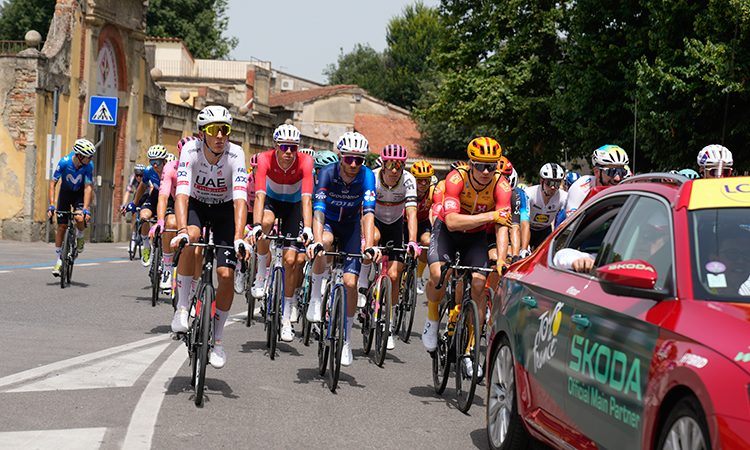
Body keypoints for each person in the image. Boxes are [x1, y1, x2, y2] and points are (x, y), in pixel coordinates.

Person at [423, 137, 512, 377]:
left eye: (492, 166)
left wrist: (502, 260)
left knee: (480, 284)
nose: (486, 171)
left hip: (475, 239)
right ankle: (432, 320)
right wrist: (491, 216)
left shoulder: (502, 187)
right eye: (481, 165)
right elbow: (451, 222)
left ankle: (472, 349)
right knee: (438, 274)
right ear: (470, 164)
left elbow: (503, 225)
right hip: (447, 233)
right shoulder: (455, 179)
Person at [170, 105, 248, 369]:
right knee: (190, 239)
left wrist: (239, 237)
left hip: (225, 210)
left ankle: (217, 338)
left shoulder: (236, 154)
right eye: (214, 130)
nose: (220, 136)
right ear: (202, 132)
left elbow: (240, 200)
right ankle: (182, 308)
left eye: (225, 130)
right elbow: (181, 193)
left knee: (226, 275)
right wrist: (181, 230)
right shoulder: (189, 151)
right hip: (197, 206)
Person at [306, 131, 379, 367]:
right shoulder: (327, 173)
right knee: (324, 243)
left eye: (359, 160)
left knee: (350, 283)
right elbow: (318, 208)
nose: (354, 164)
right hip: (327, 221)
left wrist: (368, 245)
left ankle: (346, 339)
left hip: (350, 226)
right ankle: (316, 297)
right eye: (349, 159)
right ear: (340, 157)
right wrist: (317, 241)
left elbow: (368, 213)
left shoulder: (367, 176)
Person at [248, 124, 314, 342]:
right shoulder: (265, 159)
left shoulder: (305, 161)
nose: (288, 151)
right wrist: (256, 225)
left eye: (293, 147)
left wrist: (307, 227)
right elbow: (259, 196)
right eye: (284, 146)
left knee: (291, 259)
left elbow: (306, 199)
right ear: (276, 145)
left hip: (295, 206)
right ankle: (261, 271)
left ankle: (286, 317)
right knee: (266, 222)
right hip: (272, 202)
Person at [356, 144, 419, 351]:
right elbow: (367, 211)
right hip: (374, 220)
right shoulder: (372, 178)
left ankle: (388, 325)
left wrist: (412, 241)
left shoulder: (408, 180)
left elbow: (411, 213)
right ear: (383, 165)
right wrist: (368, 240)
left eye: (399, 166)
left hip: (396, 225)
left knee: (393, 276)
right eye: (391, 165)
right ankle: (363, 282)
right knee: (372, 238)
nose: (395, 170)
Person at [150, 136, 197, 290]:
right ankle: (167, 267)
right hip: (174, 200)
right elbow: (162, 196)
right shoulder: (170, 167)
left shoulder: (202, 167)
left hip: (195, 204)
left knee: (198, 245)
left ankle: (194, 283)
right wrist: (160, 221)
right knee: (170, 224)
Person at [48, 139, 95, 276]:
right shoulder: (64, 162)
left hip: (79, 195)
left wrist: (86, 207)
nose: (91, 159)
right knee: (61, 227)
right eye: (89, 156)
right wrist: (52, 204)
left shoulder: (89, 165)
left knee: (80, 218)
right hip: (65, 194)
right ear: (80, 156)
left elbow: (87, 187)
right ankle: (58, 262)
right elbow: (52, 183)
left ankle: (80, 236)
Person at [128, 145, 168, 267]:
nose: (155, 165)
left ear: (164, 161)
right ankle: (146, 246)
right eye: (152, 161)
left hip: (168, 198)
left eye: (157, 162)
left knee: (169, 223)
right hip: (155, 196)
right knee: (143, 216)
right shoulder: (148, 171)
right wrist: (134, 203)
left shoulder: (171, 170)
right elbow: (142, 186)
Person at [565, 145, 629, 216]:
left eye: (621, 172)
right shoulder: (580, 188)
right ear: (597, 172)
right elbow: (572, 224)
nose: (618, 178)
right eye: (610, 172)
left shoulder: (624, 187)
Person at [525, 163, 568, 250]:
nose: (553, 187)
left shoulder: (564, 196)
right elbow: (523, 221)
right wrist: (524, 249)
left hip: (545, 230)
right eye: (549, 182)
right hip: (528, 229)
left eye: (557, 184)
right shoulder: (529, 193)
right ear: (541, 181)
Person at [409, 160, 435, 294]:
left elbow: (438, 209)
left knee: (427, 242)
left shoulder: (433, 191)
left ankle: (419, 276)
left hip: (423, 222)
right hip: (405, 223)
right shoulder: (406, 189)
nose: (424, 184)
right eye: (420, 180)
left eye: (427, 180)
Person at [119, 163, 146, 252]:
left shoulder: (147, 178)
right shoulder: (132, 178)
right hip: (137, 197)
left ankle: (143, 234)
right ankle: (133, 240)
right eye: (137, 175)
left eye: (141, 175)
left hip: (147, 196)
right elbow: (127, 191)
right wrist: (124, 203)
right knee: (134, 216)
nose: (139, 178)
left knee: (145, 215)